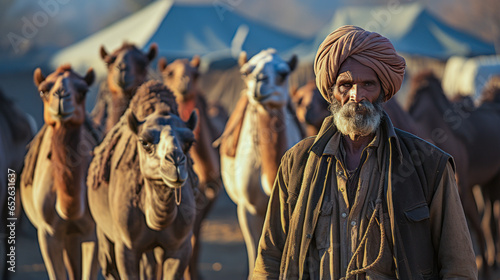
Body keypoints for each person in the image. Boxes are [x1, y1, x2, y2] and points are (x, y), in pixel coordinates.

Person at [253, 25, 477, 280]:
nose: (356, 96)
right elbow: (269, 258)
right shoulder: (297, 164)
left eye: (368, 84)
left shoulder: (429, 164)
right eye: (345, 84)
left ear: (383, 91)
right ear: (331, 92)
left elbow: (459, 266)